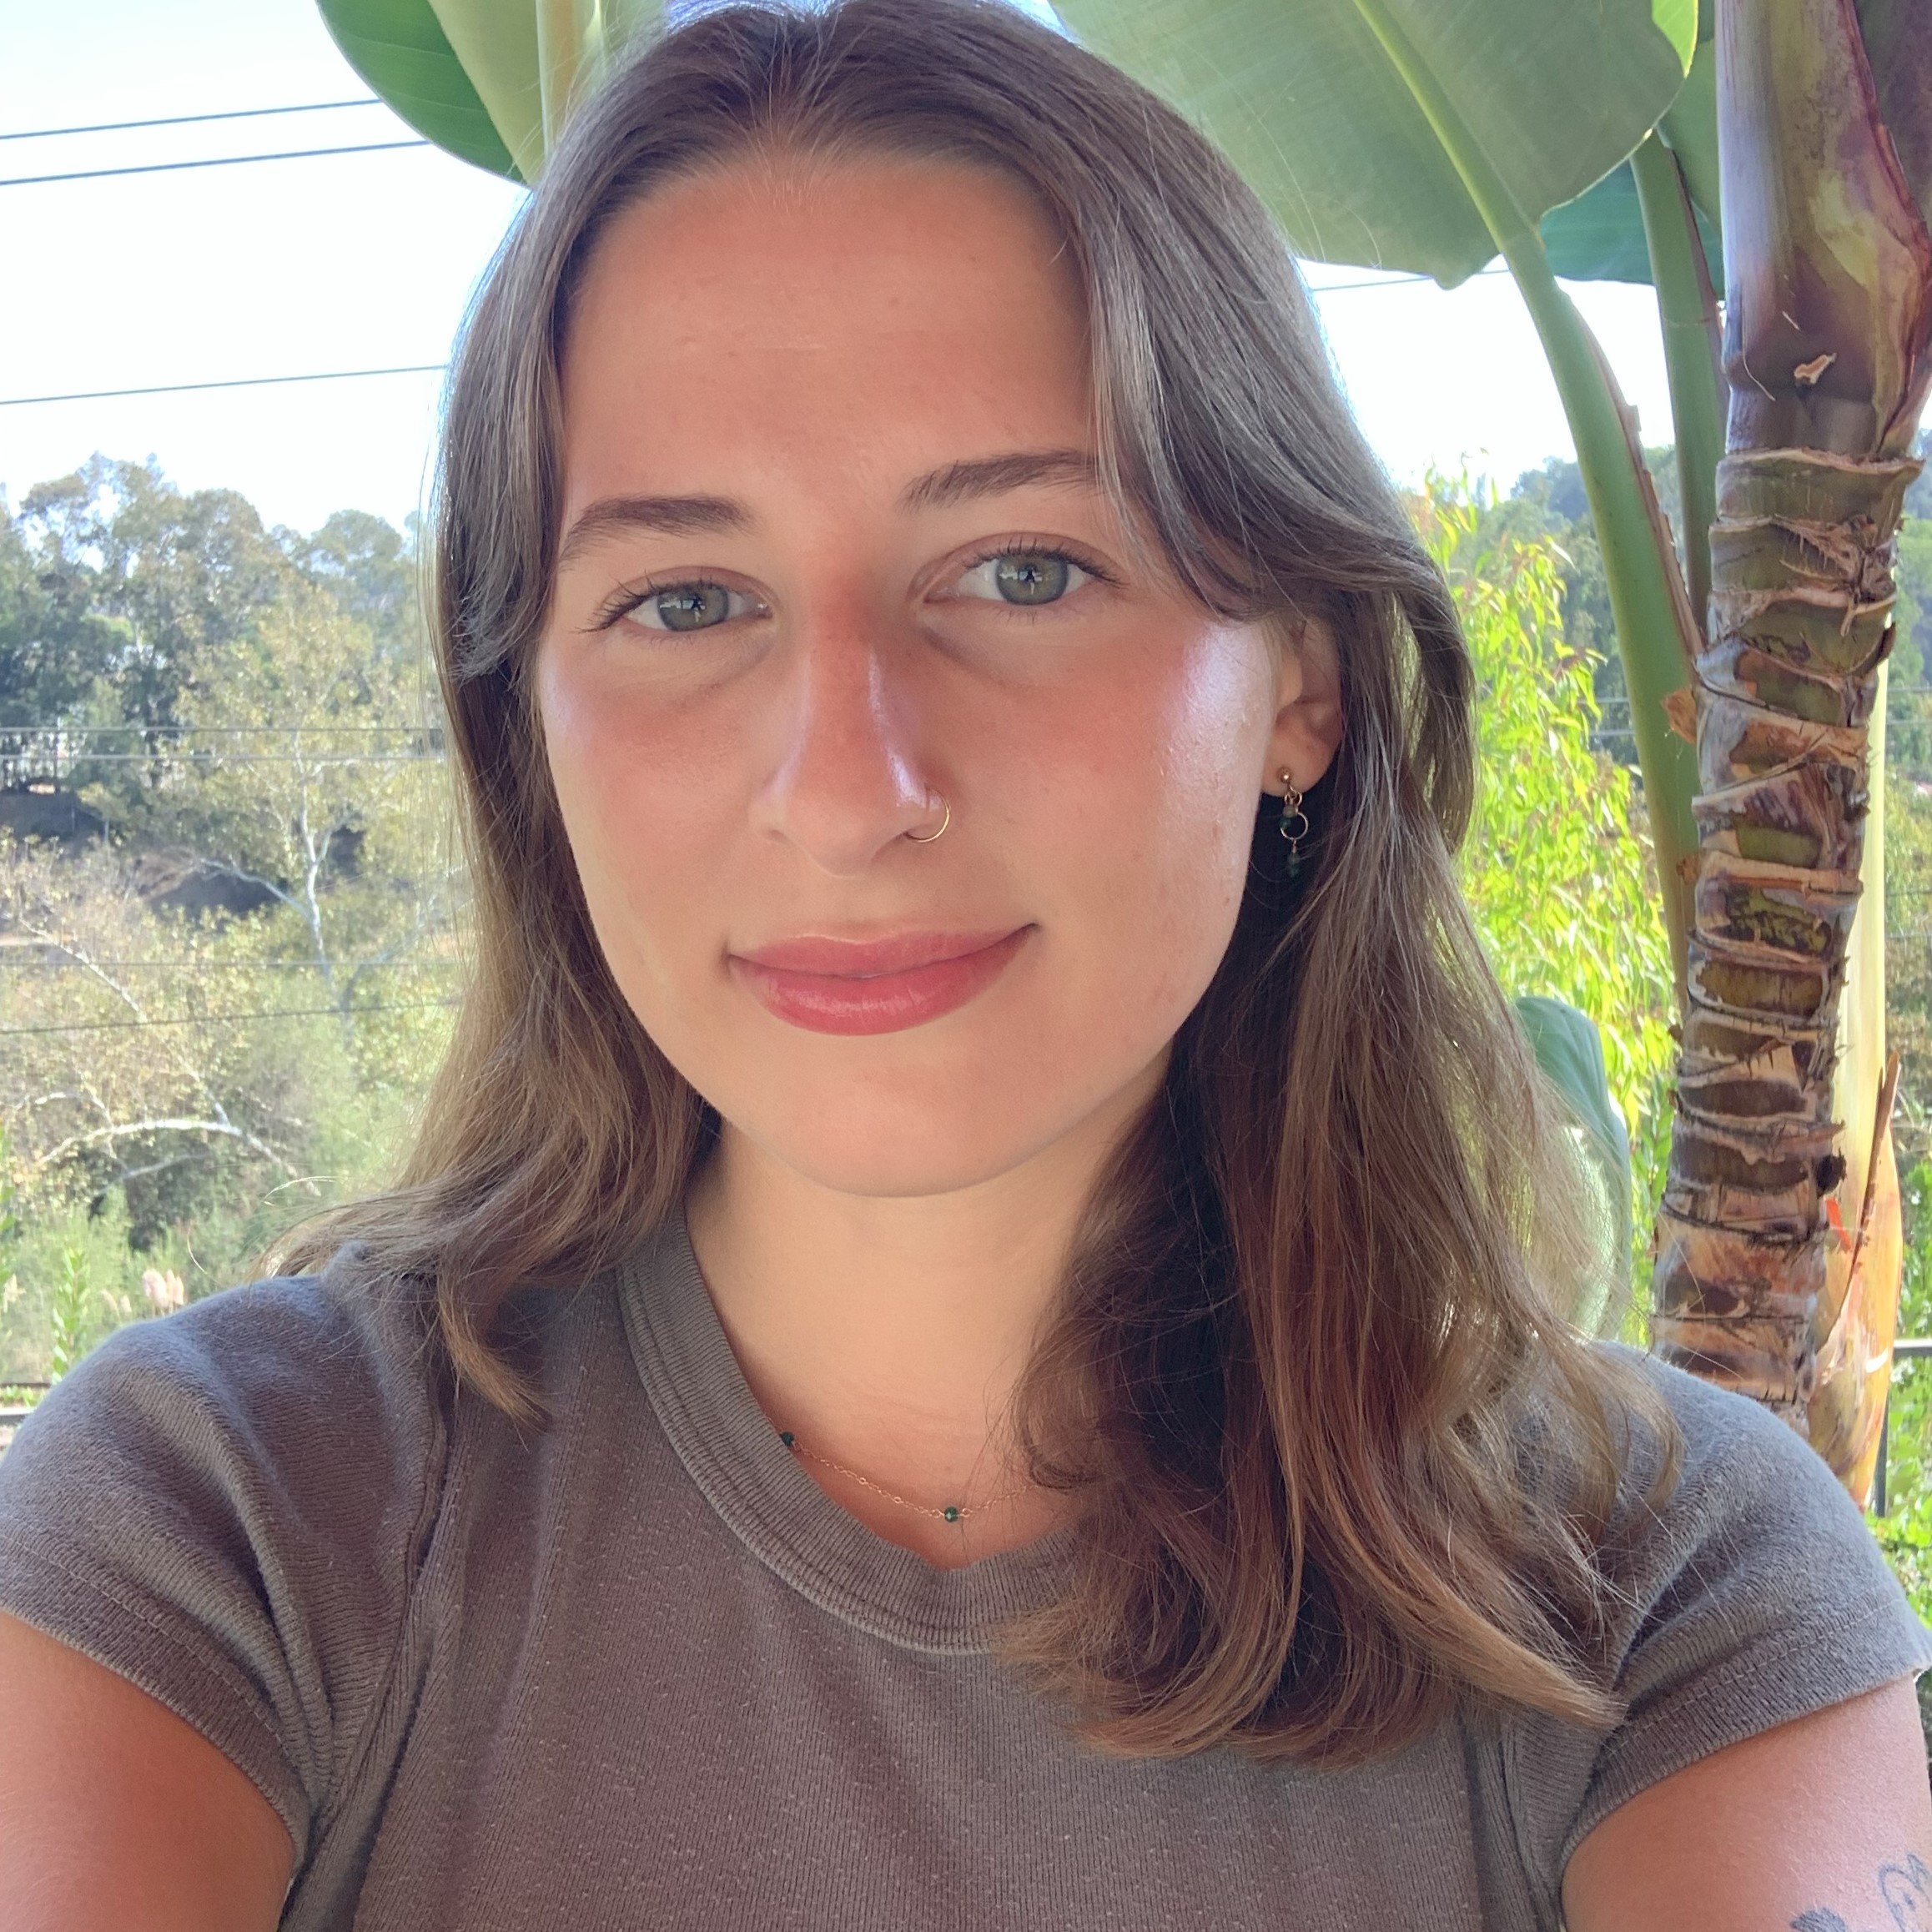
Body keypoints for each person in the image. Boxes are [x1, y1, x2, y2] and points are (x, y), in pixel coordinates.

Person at [1, 0, 1927, 1925]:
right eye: (685, 601)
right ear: (532, 733)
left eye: (1023, 569)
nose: (851, 790)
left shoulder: (1667, 1599)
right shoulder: (230, 1525)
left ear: (1303, 682)